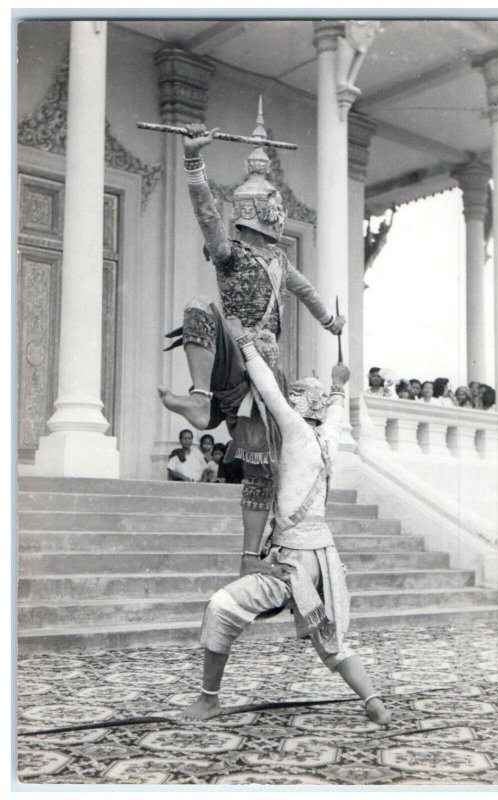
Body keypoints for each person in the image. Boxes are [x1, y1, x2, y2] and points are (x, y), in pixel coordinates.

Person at [177, 318, 391, 727]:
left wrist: (242, 338)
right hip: (321, 560)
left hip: (295, 558)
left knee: (221, 607)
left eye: (297, 398)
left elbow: (269, 389)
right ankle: (373, 701)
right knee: (330, 641)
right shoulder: (326, 440)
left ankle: (209, 700)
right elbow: (332, 412)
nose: (289, 401)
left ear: (301, 408)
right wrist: (337, 383)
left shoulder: (293, 431)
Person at [158, 104, 345, 566]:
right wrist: (193, 162)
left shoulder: (281, 262)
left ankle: (248, 556)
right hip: (233, 357)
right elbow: (205, 216)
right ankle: (201, 397)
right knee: (199, 308)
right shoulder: (230, 255)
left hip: (265, 373)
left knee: (262, 470)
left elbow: (308, 293)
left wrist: (330, 322)